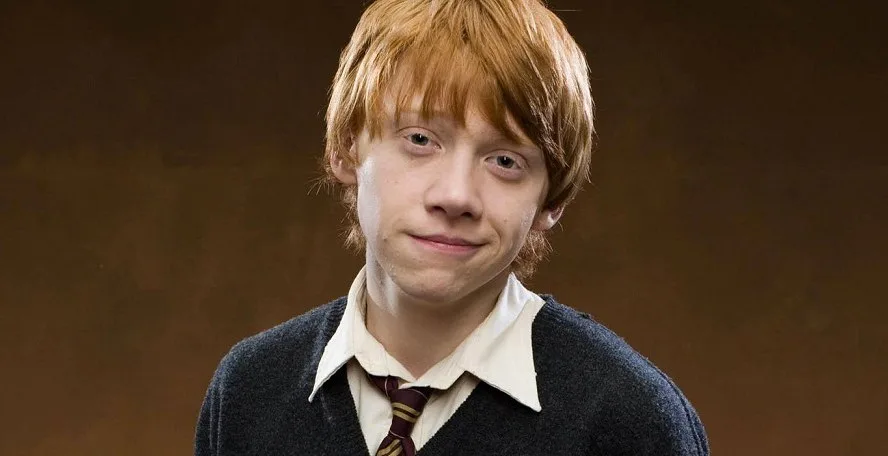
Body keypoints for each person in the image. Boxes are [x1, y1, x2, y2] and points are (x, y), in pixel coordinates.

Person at [195, 0, 709, 454]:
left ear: (551, 201)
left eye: (505, 161)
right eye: (420, 139)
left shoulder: (630, 420)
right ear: (346, 149)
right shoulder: (248, 391)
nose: (456, 196)